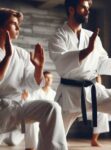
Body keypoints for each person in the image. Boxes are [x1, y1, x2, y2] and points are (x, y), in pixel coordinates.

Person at [48, 0, 111, 150]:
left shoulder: (92, 37)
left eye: (88, 8)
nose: (87, 11)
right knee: (51, 141)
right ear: (71, 9)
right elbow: (62, 63)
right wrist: (86, 51)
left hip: (93, 89)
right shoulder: (58, 37)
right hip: (70, 95)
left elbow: (101, 63)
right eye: (83, 7)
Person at [0, 8, 68, 150]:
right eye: (13, 23)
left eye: (19, 24)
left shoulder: (22, 54)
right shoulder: (9, 54)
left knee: (52, 108)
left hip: (18, 106)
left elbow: (33, 84)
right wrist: (7, 57)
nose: (18, 27)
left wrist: (38, 68)